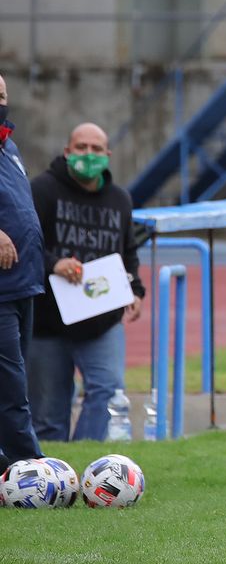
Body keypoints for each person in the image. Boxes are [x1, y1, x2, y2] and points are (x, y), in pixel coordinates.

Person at [27, 122, 145, 442]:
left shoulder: (120, 199)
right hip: (47, 323)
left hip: (102, 321)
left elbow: (128, 252)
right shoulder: (42, 191)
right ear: (67, 152)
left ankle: (87, 460)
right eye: (81, 148)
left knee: (107, 393)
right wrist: (55, 264)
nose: (88, 155)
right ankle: (52, 478)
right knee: (48, 414)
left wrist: (135, 289)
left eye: (96, 149)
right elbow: (26, 246)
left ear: (108, 155)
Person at [0, 71, 47, 468]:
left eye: (2, 94)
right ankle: (28, 466)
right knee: (10, 384)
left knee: (17, 380)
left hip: (23, 283)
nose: (1, 102)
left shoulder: (9, 148)